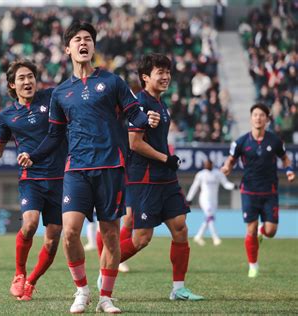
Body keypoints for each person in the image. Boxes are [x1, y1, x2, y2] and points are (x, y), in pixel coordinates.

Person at [17, 21, 160, 313]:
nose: (83, 44)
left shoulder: (113, 82)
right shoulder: (60, 93)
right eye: (77, 40)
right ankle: (82, 291)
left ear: (93, 47)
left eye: (88, 39)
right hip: (76, 169)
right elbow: (55, 135)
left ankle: (106, 296)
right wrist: (34, 154)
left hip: (110, 166)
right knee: (69, 231)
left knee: (110, 235)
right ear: (68, 49)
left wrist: (148, 121)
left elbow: (135, 113)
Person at [0, 60, 66, 301]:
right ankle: (19, 274)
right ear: (13, 85)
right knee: (30, 223)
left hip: (60, 179)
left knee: (53, 235)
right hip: (31, 178)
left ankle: (32, 282)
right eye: (22, 78)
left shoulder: (52, 97)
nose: (28, 81)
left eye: (31, 76)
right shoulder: (7, 116)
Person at [118, 53, 204, 301]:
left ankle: (178, 289)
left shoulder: (160, 104)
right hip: (145, 178)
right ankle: (106, 268)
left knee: (180, 228)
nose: (166, 77)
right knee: (142, 238)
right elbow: (135, 143)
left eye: (168, 72)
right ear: (146, 77)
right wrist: (166, 158)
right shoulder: (140, 104)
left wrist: (166, 161)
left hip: (165, 177)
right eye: (160, 72)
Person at [221, 103, 295, 278]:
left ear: (267, 119)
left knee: (270, 231)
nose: (258, 118)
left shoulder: (275, 141)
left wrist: (290, 170)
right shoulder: (241, 142)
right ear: (251, 118)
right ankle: (253, 265)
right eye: (255, 114)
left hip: (270, 191)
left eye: (262, 115)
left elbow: (285, 159)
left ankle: (263, 231)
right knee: (251, 230)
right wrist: (226, 168)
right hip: (249, 191)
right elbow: (231, 160)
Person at [186, 159, 236, 246]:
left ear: (212, 164)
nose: (206, 165)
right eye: (205, 164)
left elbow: (225, 184)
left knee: (209, 218)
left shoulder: (218, 173)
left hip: (214, 200)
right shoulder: (201, 174)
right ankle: (215, 238)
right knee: (210, 216)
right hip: (204, 199)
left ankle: (198, 236)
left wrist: (233, 186)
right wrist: (189, 198)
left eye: (208, 164)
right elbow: (194, 186)